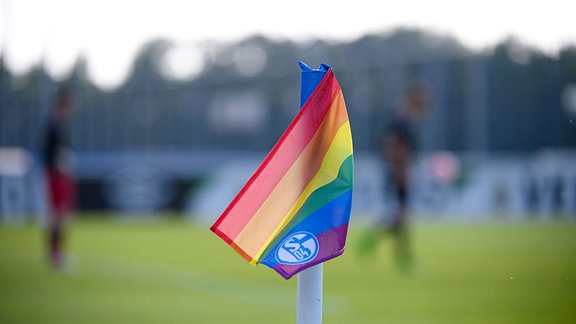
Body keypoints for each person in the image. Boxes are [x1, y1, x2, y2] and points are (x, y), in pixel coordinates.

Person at [358, 80, 429, 274]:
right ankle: (398, 255)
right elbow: (392, 144)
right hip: (397, 172)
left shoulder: (403, 118)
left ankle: (394, 253)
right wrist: (398, 169)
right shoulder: (402, 119)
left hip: (398, 170)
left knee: (401, 217)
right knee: (401, 216)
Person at [42, 86, 76, 270]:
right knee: (59, 215)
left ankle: (55, 252)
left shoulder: (57, 126)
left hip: (57, 174)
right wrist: (61, 164)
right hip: (56, 175)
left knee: (59, 215)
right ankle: (56, 254)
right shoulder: (55, 126)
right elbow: (50, 154)